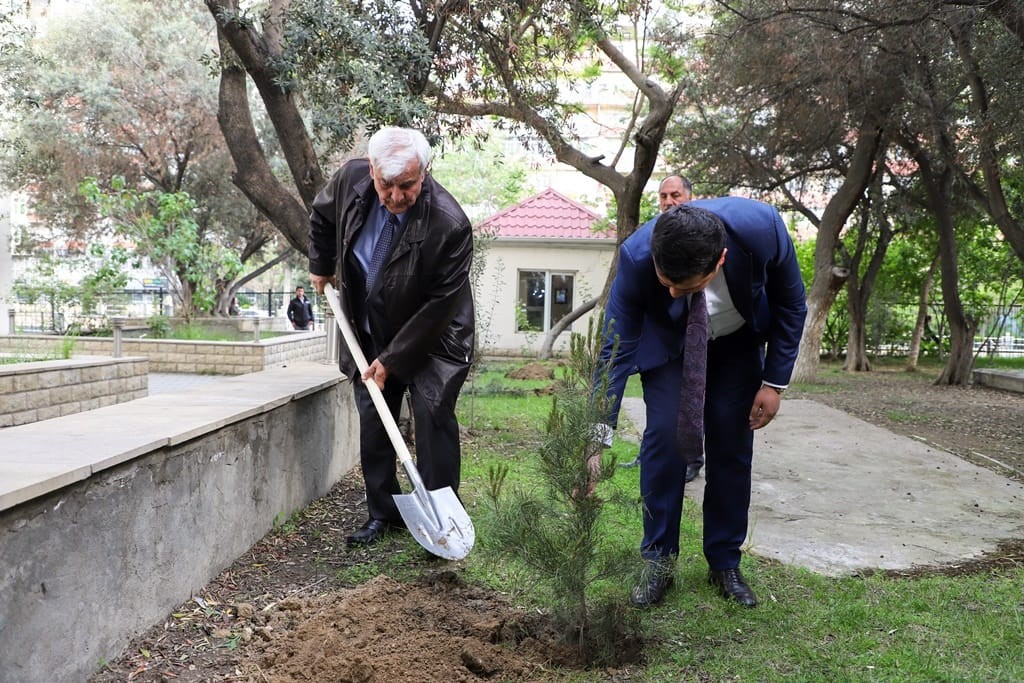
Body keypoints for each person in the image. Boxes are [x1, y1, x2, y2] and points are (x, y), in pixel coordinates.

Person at [593, 198, 807, 608]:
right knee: (664, 441)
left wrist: (774, 383)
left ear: (720, 260)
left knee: (731, 444)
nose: (672, 292)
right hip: (671, 345)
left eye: (684, 287)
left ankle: (724, 562)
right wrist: (595, 436)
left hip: (738, 342)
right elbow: (614, 351)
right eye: (665, 282)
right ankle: (658, 562)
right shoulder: (637, 255)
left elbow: (791, 304)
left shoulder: (762, 230)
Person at [308, 126, 475, 548]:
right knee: (374, 416)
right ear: (372, 171)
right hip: (370, 321)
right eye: (387, 185)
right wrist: (321, 264)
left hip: (435, 335)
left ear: (425, 173)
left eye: (408, 185)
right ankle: (381, 513)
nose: (397, 197)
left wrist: (394, 361)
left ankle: (442, 516)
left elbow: (439, 306)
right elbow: (323, 216)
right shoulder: (350, 180)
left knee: (433, 415)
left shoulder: (450, 224)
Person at [620, 173, 704, 483]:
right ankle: (649, 455)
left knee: (694, 403)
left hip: (703, 340)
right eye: (663, 197)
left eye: (675, 195)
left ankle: (693, 459)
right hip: (661, 343)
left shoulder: (704, 236)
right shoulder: (645, 244)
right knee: (661, 413)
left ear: (690, 198)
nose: (668, 202)